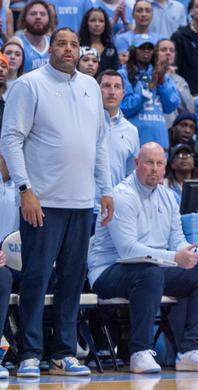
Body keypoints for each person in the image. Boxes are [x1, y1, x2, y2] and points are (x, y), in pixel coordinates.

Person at [0, 28, 114, 378]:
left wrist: (105, 189)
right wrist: (25, 190)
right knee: (35, 278)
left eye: (73, 45)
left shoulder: (91, 87)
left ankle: (64, 353)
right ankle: (30, 353)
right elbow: (11, 138)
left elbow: (99, 142)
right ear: (50, 48)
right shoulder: (29, 84)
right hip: (41, 201)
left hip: (81, 203)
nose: (68, 49)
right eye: (61, 44)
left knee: (71, 280)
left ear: (80, 51)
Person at [87, 142, 198, 373]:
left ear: (164, 168)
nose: (154, 168)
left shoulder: (169, 196)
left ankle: (190, 350)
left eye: (159, 163)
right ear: (136, 164)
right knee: (150, 273)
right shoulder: (121, 195)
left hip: (153, 270)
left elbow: (178, 240)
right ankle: (140, 351)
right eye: (149, 162)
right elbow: (128, 251)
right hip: (108, 271)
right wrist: (174, 257)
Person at [120, 39, 181, 148]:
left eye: (150, 48)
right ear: (134, 51)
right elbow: (124, 108)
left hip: (159, 137)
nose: (146, 51)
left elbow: (171, 106)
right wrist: (148, 89)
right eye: (142, 48)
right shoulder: (123, 74)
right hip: (133, 140)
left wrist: (161, 81)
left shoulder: (161, 74)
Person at [100, 68, 140, 187]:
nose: (112, 92)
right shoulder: (84, 122)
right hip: (85, 202)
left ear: (123, 94)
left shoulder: (132, 131)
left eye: (117, 87)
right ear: (96, 90)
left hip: (117, 202)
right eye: (107, 86)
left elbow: (132, 175)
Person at [14, 0, 53, 72]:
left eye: (42, 14)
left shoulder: (53, 42)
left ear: (49, 19)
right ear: (24, 18)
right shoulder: (17, 43)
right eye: (33, 14)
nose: (38, 17)